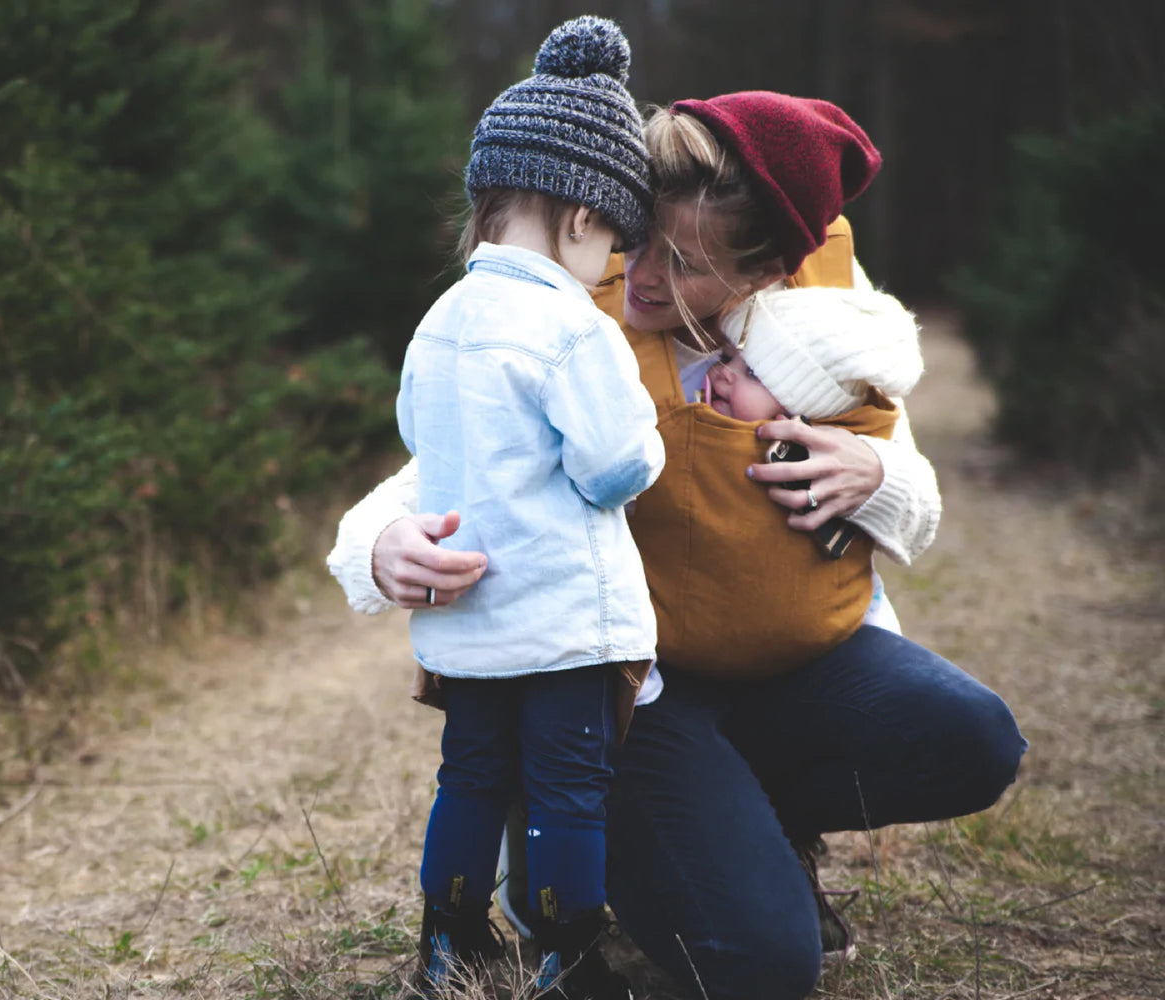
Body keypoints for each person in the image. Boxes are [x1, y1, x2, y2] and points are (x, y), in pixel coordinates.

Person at [328, 91, 1027, 1000]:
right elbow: (447, 463)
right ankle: (573, 813)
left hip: (792, 669)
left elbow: (918, 504)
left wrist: (875, 475)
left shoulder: (820, 332)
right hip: (634, 691)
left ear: (769, 269)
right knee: (766, 966)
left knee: (975, 739)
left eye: (686, 263)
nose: (644, 275)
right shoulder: (577, 313)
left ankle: (752, 817)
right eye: (639, 240)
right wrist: (377, 545)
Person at [398, 17, 663, 1000]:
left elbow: (420, 438)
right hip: (561, 623)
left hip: (467, 623)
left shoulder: (439, 321)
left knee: (469, 775)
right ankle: (570, 954)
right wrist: (646, 433)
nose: (612, 271)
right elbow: (610, 467)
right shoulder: (568, 323)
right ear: (583, 219)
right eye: (615, 245)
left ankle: (447, 938)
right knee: (565, 790)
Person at [637, 283, 924, 677]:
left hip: (828, 643)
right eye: (727, 358)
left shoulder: (834, 439)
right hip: (685, 650)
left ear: (803, 411)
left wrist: (880, 474)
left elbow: (918, 523)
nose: (722, 375)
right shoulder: (677, 406)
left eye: (752, 373)